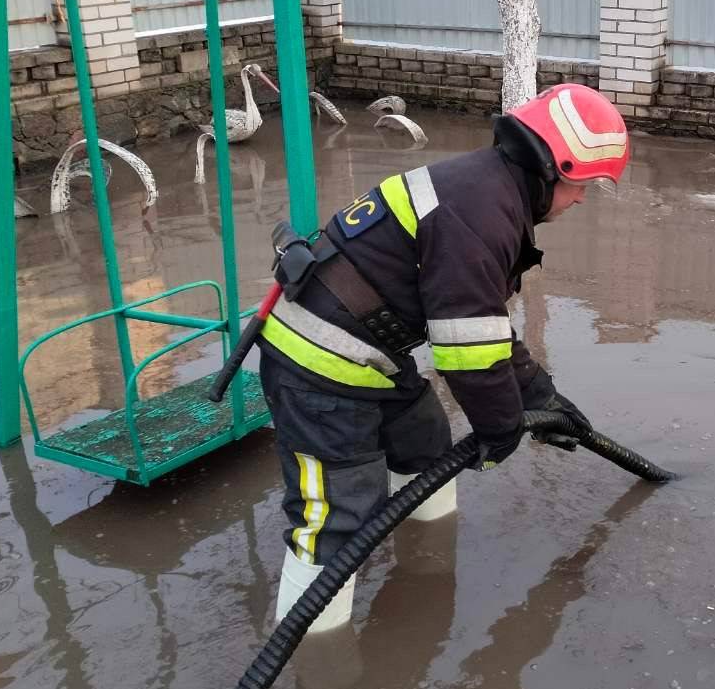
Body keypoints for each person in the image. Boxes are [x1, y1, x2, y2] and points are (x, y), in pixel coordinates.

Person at [258, 83, 631, 630]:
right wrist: (502, 429)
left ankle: (424, 580)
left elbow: (482, 327)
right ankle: (316, 651)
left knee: (426, 445)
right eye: (583, 185)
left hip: (371, 356)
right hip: (315, 369)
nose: (581, 200)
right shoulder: (481, 212)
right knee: (336, 516)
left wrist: (542, 397)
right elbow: (467, 352)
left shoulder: (487, 191)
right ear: (554, 168)